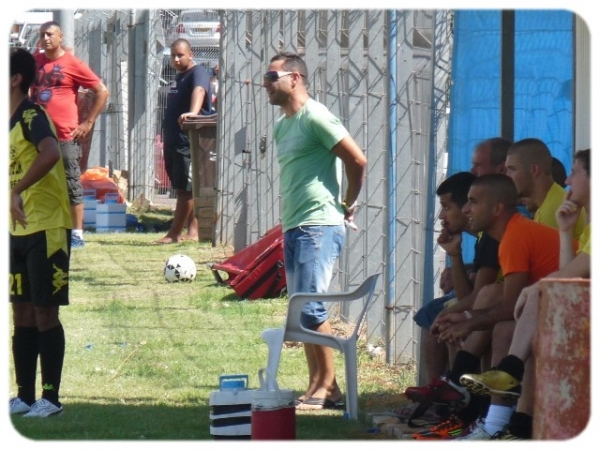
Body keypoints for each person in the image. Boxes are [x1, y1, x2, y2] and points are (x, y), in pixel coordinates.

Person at [410, 174, 562, 440]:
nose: (466, 209)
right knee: (494, 306)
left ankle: (483, 413)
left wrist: (468, 321)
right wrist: (464, 317)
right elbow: (501, 299)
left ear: (497, 209)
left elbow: (510, 306)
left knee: (502, 327)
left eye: (473, 202)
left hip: (573, 310)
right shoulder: (509, 235)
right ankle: (484, 415)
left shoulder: (515, 237)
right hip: (550, 305)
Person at [460, 149, 590, 440]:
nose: (567, 180)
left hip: (582, 312)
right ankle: (504, 419)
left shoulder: (518, 233)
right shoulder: (585, 226)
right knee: (518, 318)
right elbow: (567, 279)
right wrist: (566, 231)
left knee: (525, 307)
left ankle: (493, 402)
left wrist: (469, 319)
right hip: (575, 305)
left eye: (575, 173)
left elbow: (565, 280)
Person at [263, 52, 367, 410]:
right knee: (300, 312)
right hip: (295, 227)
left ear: (295, 78)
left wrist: (349, 201)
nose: (265, 83)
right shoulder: (283, 125)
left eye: (272, 76)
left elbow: (357, 160)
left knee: (310, 308)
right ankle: (316, 385)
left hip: (318, 226)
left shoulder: (316, 117)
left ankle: (331, 389)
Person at [9, 47, 72, 418]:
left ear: (15, 79)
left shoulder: (32, 115)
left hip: (46, 226)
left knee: (45, 313)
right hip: (16, 230)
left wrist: (17, 191)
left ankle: (51, 398)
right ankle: (24, 396)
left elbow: (50, 153)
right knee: (21, 313)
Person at [30, 21, 109, 249]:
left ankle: (77, 234)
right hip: (36, 137)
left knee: (71, 184)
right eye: (42, 34)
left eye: (50, 34)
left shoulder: (73, 63)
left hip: (65, 136)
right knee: (37, 184)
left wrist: (88, 121)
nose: (46, 38)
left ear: (60, 36)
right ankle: (41, 229)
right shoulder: (34, 62)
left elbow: (102, 91)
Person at [153, 39, 213, 244]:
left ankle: (174, 234)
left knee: (185, 189)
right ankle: (193, 231)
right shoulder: (180, 77)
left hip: (186, 141)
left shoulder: (198, 72)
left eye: (180, 55)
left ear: (190, 54)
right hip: (173, 140)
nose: (176, 59)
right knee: (185, 187)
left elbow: (199, 90)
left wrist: (193, 113)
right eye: (173, 55)